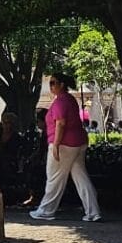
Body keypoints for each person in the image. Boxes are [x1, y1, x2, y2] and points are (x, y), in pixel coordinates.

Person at [30, 72, 100, 222]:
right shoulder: (70, 100)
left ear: (62, 85)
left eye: (53, 83)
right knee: (81, 178)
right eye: (50, 83)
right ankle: (93, 212)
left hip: (64, 144)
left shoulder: (60, 101)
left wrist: (55, 145)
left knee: (54, 178)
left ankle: (46, 211)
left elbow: (60, 123)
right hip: (78, 142)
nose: (51, 86)